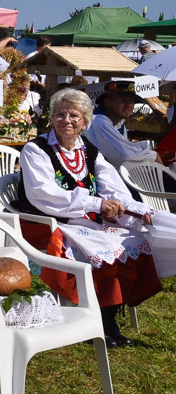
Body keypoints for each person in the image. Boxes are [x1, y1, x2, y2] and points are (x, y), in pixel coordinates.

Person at [13, 88, 176, 347]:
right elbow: (45, 194)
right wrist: (97, 203)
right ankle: (98, 321)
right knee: (104, 244)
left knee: (131, 238)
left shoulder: (89, 150)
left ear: (85, 122)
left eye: (74, 116)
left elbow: (113, 186)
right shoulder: (36, 149)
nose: (66, 120)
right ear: (52, 118)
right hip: (48, 220)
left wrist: (134, 210)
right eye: (60, 114)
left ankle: (108, 317)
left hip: (83, 218)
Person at [84, 80, 160, 169]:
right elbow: (124, 156)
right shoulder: (98, 121)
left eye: (131, 100)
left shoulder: (120, 125)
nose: (128, 105)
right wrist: (153, 156)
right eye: (122, 99)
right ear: (107, 102)